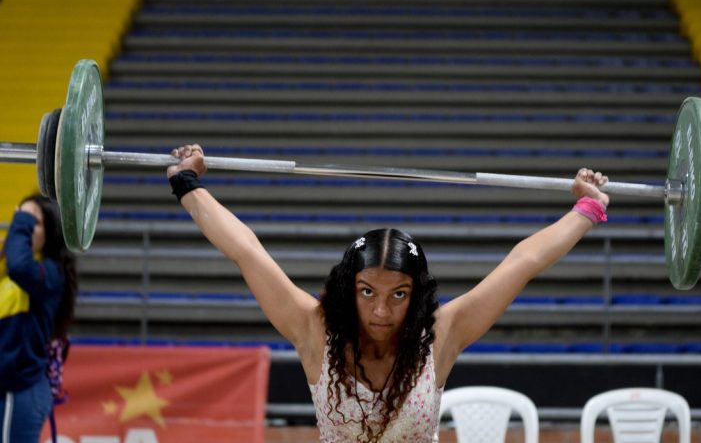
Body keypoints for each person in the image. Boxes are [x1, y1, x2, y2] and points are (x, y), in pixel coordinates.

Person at [167, 144, 610, 443]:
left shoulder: (441, 334)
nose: (381, 310)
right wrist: (188, 185)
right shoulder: (313, 329)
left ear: (415, 296)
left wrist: (586, 209)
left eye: (398, 295)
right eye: (366, 291)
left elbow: (523, 262)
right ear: (348, 287)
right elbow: (247, 251)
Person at [0, 195, 77, 443]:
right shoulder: (10, 270)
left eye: (34, 221)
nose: (25, 226)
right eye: (21, 218)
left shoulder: (51, 272)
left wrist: (20, 220)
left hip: (18, 389)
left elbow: (20, 268)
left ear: (50, 234)